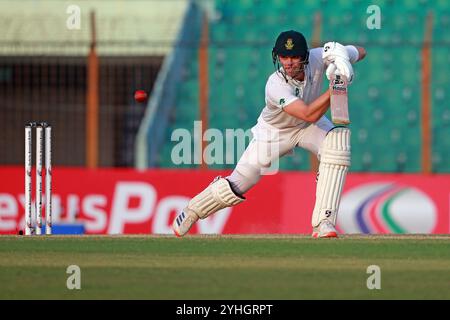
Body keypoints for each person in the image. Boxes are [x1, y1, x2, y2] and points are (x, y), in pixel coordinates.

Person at [172, 30, 366, 238]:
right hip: (274, 132)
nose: (289, 63)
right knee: (241, 181)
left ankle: (324, 222)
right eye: (284, 57)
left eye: (294, 57)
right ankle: (192, 210)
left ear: (305, 56)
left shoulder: (319, 56)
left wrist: (341, 56)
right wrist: (337, 85)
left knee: (337, 143)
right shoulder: (275, 85)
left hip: (308, 128)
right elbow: (307, 113)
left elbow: (361, 51)